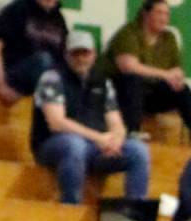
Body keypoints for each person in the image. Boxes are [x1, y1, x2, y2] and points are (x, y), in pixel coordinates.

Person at [31, 30, 150, 207]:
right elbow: (57, 123)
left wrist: (115, 140)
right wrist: (99, 138)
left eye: (85, 53)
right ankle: (70, 206)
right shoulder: (52, 78)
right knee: (74, 145)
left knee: (138, 151)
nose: (81, 58)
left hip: (95, 147)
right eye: (75, 53)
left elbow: (116, 122)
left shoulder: (103, 81)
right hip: (51, 144)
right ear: (66, 55)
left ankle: (134, 212)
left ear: (94, 55)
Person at [101, 0, 191, 148]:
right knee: (132, 79)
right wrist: (166, 75)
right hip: (121, 95)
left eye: (167, 14)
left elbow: (177, 71)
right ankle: (132, 133)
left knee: (182, 90)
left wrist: (175, 78)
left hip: (151, 95)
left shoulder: (169, 38)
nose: (164, 18)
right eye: (159, 13)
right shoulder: (129, 32)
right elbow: (128, 66)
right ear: (146, 14)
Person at [0, 0, 68, 106]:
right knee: (44, 60)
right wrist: (1, 86)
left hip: (44, 79)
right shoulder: (17, 9)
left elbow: (63, 58)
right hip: (16, 74)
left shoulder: (59, 19)